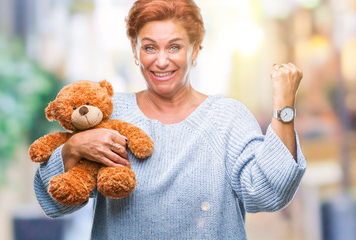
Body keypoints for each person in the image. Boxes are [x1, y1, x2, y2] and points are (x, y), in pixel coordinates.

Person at [34, 0, 306, 239]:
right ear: (134, 50)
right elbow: (54, 202)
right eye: (149, 48)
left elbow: (268, 193)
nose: (161, 61)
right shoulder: (108, 114)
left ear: (195, 50)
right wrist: (73, 148)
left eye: (174, 47)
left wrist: (284, 105)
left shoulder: (227, 118)